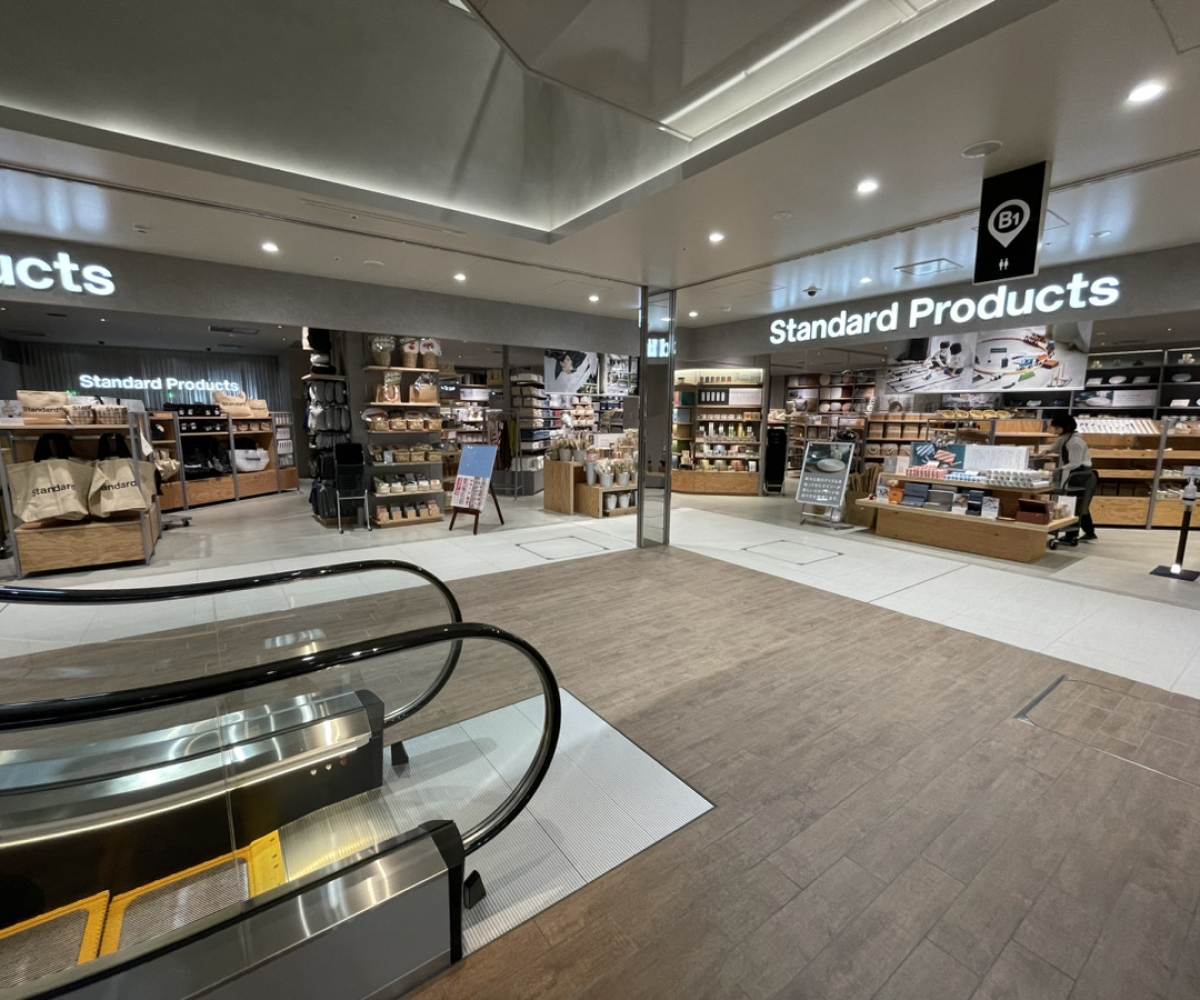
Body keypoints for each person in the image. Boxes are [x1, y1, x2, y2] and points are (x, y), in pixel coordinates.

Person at [1044, 414, 1098, 541]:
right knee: (1074, 504)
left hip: (1082, 476)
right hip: (1074, 475)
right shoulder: (1066, 438)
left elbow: (1075, 463)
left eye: (1057, 428)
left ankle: (1080, 534)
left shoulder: (1075, 442)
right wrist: (1045, 452)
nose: (1055, 431)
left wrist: (1057, 470)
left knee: (1080, 506)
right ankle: (1077, 534)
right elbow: (1055, 446)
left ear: (1066, 427)